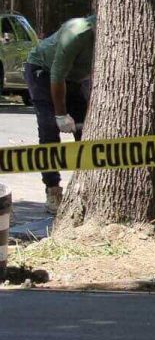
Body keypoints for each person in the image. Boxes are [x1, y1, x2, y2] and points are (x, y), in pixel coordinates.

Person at [25, 15, 96, 213]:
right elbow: (57, 75)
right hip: (43, 71)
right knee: (49, 128)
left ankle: (88, 187)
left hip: (74, 79)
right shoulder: (78, 32)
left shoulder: (117, 39)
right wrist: (61, 114)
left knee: (86, 130)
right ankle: (52, 189)